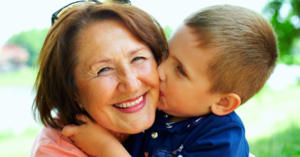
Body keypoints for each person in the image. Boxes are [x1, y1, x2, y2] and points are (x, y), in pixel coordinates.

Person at [62, 4, 278, 157]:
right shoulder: (156, 108)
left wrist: (106, 149)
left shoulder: (221, 139)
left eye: (180, 70)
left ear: (222, 103)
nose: (160, 70)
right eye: (165, 54)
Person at [30, 0, 168, 156]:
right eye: (104, 70)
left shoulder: (179, 110)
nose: (132, 85)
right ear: (72, 91)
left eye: (138, 59)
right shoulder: (54, 151)